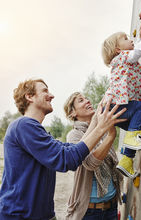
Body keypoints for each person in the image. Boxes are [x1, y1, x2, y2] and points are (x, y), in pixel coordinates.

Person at [0, 78, 126, 220]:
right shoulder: (23, 125)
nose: (52, 95)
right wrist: (102, 128)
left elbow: (74, 150)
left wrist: (97, 119)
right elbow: (66, 159)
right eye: (45, 91)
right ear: (29, 97)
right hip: (20, 216)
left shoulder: (40, 132)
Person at [101, 21, 141, 178]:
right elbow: (140, 50)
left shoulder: (122, 60)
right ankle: (132, 141)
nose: (130, 39)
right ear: (118, 49)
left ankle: (126, 161)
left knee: (136, 131)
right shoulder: (123, 57)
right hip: (116, 106)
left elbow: (137, 49)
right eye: (125, 38)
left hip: (112, 110)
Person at [64, 92, 123, 220]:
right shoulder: (74, 135)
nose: (87, 101)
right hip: (90, 212)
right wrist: (111, 136)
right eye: (81, 100)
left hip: (111, 206)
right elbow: (90, 163)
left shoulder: (101, 128)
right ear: (73, 113)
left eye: (87, 98)